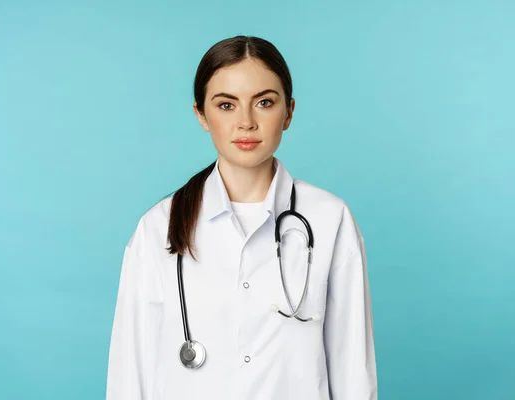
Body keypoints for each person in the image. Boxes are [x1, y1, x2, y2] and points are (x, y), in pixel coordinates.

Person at [106, 35, 377, 400]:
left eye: (264, 102)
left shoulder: (330, 220)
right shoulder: (158, 227)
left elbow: (352, 371)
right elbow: (130, 371)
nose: (246, 122)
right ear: (201, 114)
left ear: (289, 112)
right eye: (226, 105)